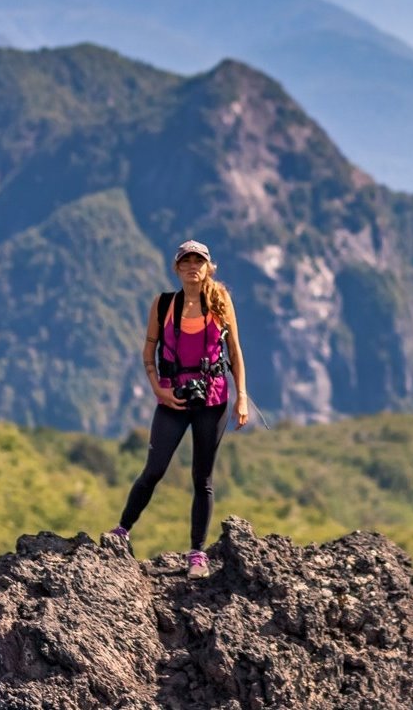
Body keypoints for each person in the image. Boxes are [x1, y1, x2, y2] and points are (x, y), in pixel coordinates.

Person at [108, 239, 249, 578]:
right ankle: (121, 532)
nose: (192, 267)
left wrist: (242, 396)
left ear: (208, 267)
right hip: (171, 397)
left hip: (212, 399)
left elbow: (235, 351)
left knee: (202, 477)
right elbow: (149, 349)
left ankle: (197, 555)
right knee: (153, 469)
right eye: (185, 261)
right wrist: (158, 388)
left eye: (198, 261)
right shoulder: (163, 304)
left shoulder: (220, 301)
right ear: (176, 268)